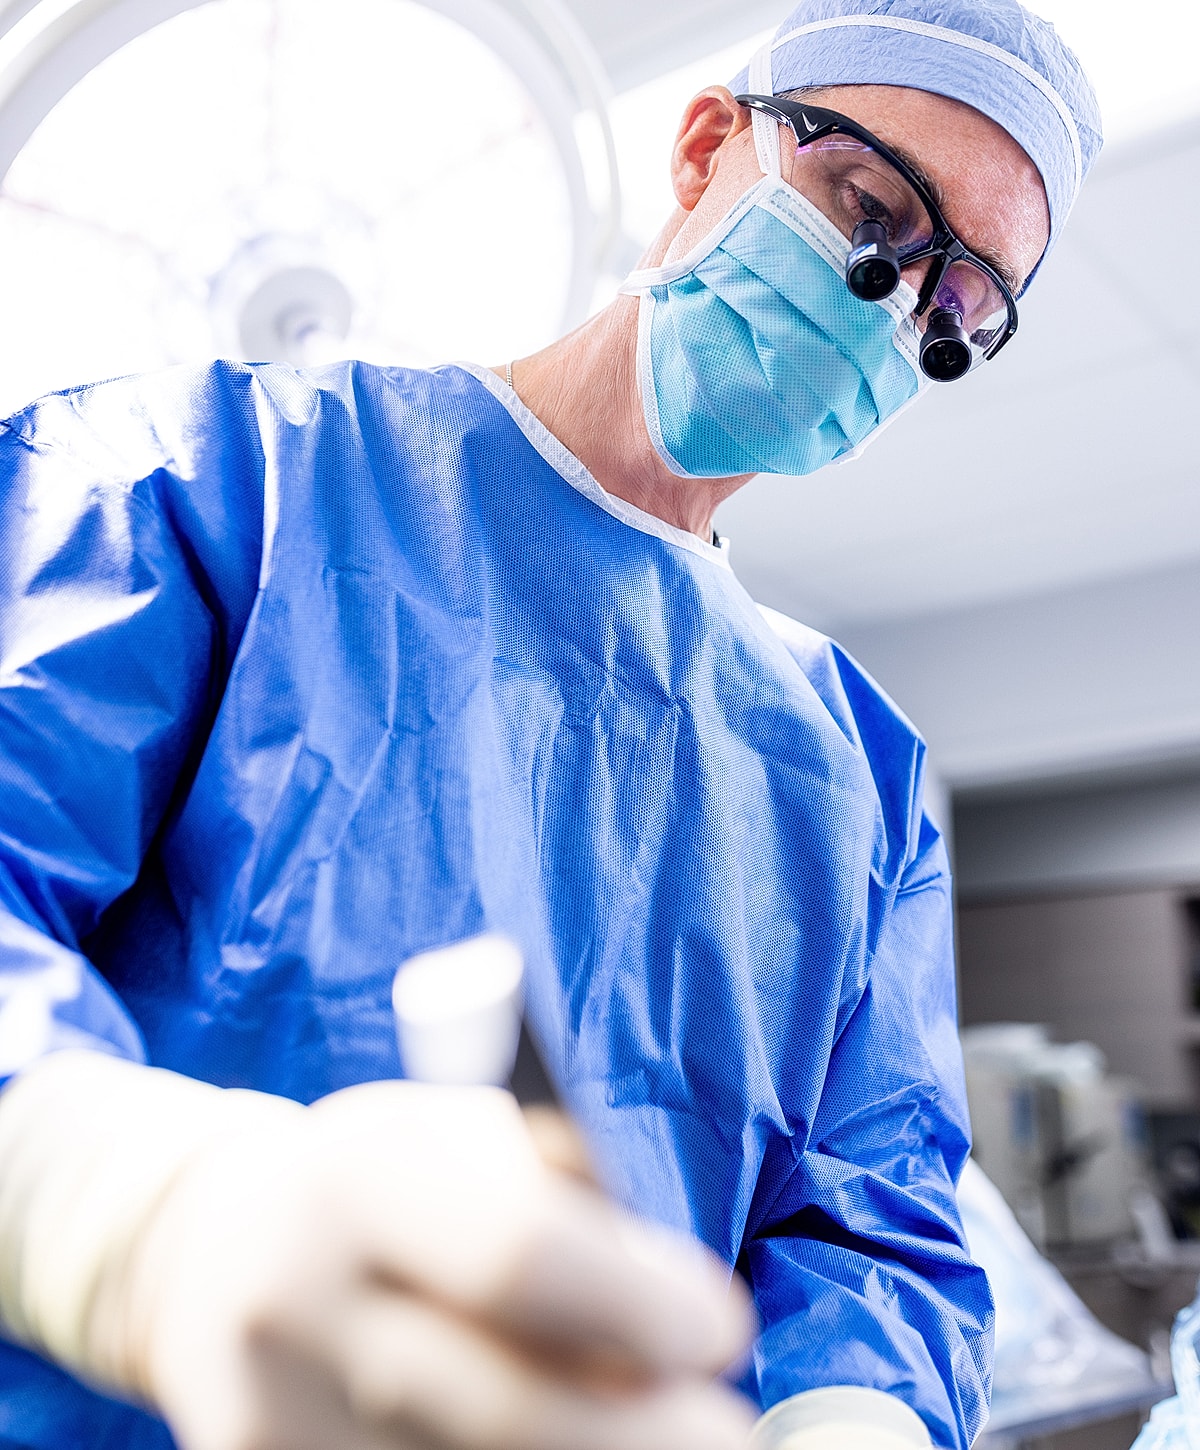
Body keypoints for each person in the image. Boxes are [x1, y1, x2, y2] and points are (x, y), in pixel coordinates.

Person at [0, 0, 1101, 1446]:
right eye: (874, 214)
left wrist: (848, 1418)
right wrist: (137, 1223)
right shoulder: (213, 478)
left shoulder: (857, 771)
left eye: (953, 316)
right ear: (709, 148)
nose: (890, 313)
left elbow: (873, 1224)